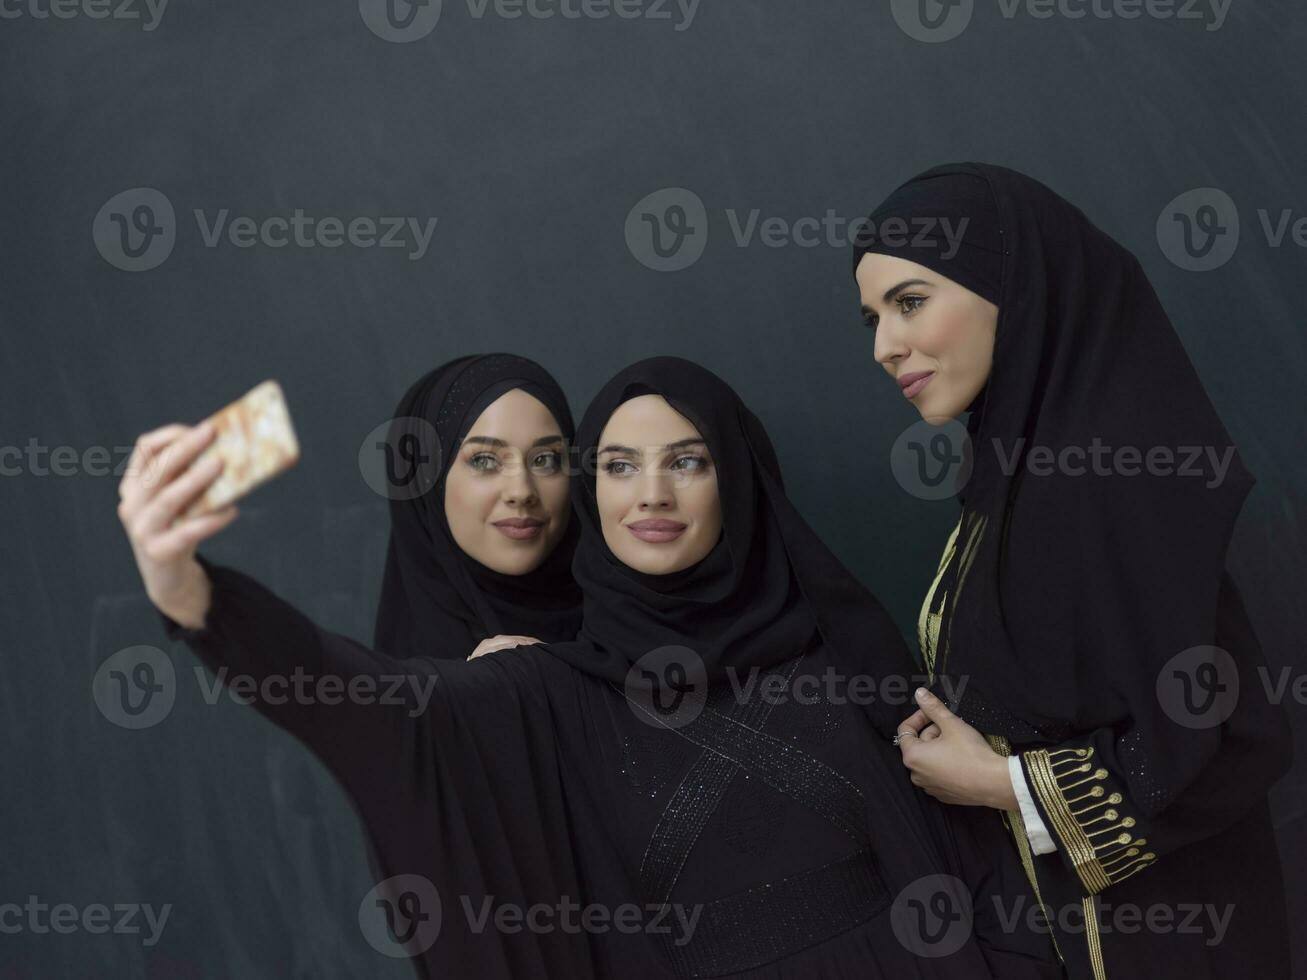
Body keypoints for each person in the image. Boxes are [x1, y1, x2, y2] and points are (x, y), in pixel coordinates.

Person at [117, 355, 1062, 978]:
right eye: (617, 465)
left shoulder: (844, 654)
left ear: (735, 478)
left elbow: (987, 879)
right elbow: (358, 703)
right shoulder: (539, 688)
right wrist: (194, 594)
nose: (650, 492)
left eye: (687, 461)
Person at [851, 161, 1292, 978]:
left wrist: (1002, 785)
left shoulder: (1112, 474)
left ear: (1011, 288)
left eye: (910, 302)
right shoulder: (1015, 482)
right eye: (872, 317)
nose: (884, 346)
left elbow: (1235, 738)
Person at [371, 353, 583, 661]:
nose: (521, 491)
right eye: (485, 460)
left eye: (545, 460)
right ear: (427, 481)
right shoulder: (393, 693)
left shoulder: (636, 639)